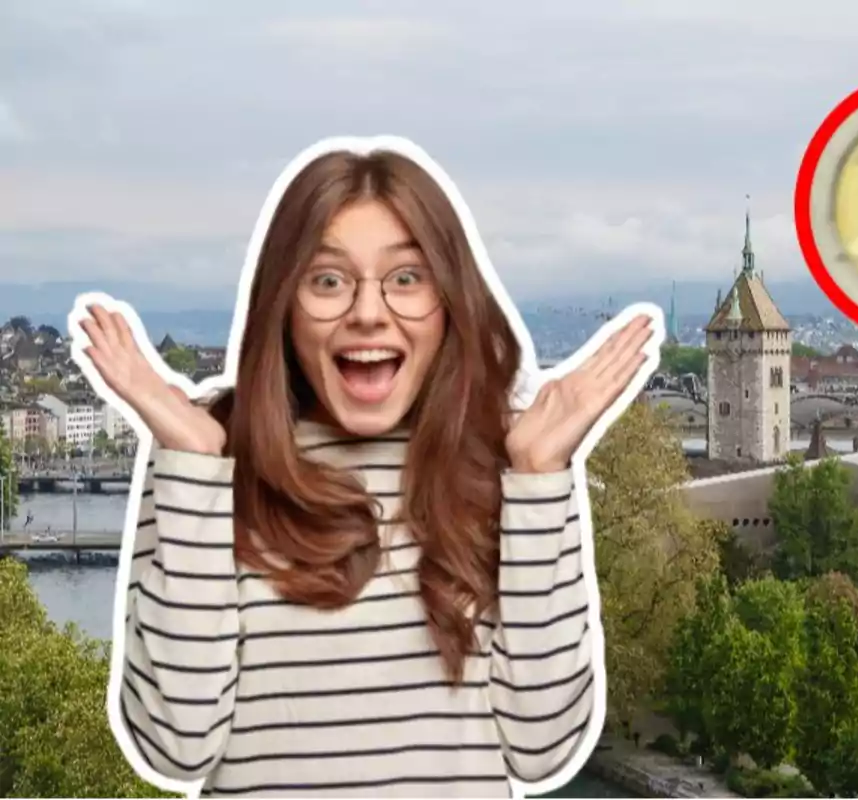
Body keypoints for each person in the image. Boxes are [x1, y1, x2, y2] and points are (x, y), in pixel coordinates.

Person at [74, 143, 657, 798]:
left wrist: (541, 476)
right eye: (328, 280)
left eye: (406, 278)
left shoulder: (511, 466)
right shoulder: (204, 465)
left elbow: (543, 748)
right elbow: (174, 747)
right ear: (283, 305)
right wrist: (193, 463)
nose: (369, 311)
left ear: (448, 303)